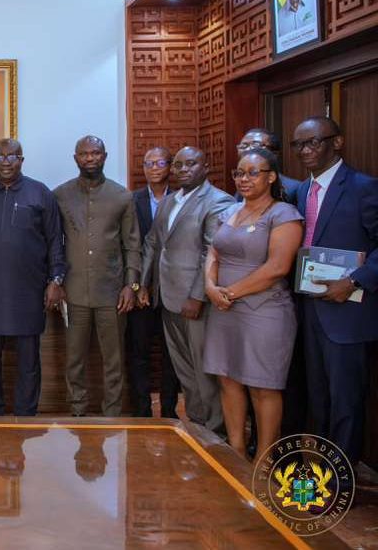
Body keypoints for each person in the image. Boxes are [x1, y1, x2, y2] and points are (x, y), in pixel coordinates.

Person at [203, 148, 303, 460]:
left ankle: (263, 459)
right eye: (239, 173)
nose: (244, 179)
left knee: (263, 386)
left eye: (253, 173)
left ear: (271, 177)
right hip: (223, 309)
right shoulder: (231, 211)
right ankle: (236, 453)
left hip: (264, 311)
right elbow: (214, 253)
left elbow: (277, 268)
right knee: (228, 379)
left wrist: (229, 293)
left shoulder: (283, 214)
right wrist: (210, 287)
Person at [292, 117, 378, 465]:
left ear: (337, 142)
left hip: (348, 314)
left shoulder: (363, 187)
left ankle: (341, 480)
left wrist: (355, 280)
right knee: (319, 400)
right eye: (299, 145)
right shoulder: (301, 191)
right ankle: (321, 472)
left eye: (313, 142)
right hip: (310, 309)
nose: (305, 150)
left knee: (346, 402)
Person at [0, 138, 65, 416]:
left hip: (28, 292)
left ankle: (26, 414)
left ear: (21, 160)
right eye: (0, 157)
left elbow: (55, 240)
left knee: (28, 362)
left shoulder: (40, 193)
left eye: (12, 156)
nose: (6, 162)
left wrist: (56, 280)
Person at [140, 146, 234, 434]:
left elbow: (212, 252)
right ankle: (197, 426)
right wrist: (143, 282)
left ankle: (216, 432)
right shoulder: (170, 200)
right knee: (184, 369)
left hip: (196, 302)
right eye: (178, 165)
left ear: (205, 167)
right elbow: (153, 242)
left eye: (190, 164)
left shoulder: (218, 201)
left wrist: (197, 295)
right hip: (168, 297)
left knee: (204, 369)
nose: (183, 170)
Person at [53, 136, 140, 417]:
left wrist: (131, 285)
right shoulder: (60, 195)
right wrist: (56, 282)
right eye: (84, 154)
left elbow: (132, 244)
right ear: (75, 158)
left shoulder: (122, 196)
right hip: (74, 291)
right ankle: (78, 411)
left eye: (95, 153)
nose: (90, 158)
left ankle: (111, 414)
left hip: (112, 292)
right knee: (74, 358)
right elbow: (54, 243)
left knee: (113, 359)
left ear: (105, 156)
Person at [127, 147, 180, 418]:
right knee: (139, 351)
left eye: (160, 163)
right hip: (141, 290)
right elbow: (128, 246)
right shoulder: (131, 200)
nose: (154, 168)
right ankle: (142, 410)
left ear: (170, 166)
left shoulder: (181, 199)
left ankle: (169, 410)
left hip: (173, 288)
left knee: (172, 353)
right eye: (149, 163)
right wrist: (137, 286)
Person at [236, 128, 300, 204]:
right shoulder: (242, 184)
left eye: (256, 145)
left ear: (275, 153)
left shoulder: (293, 189)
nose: (248, 150)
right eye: (244, 146)